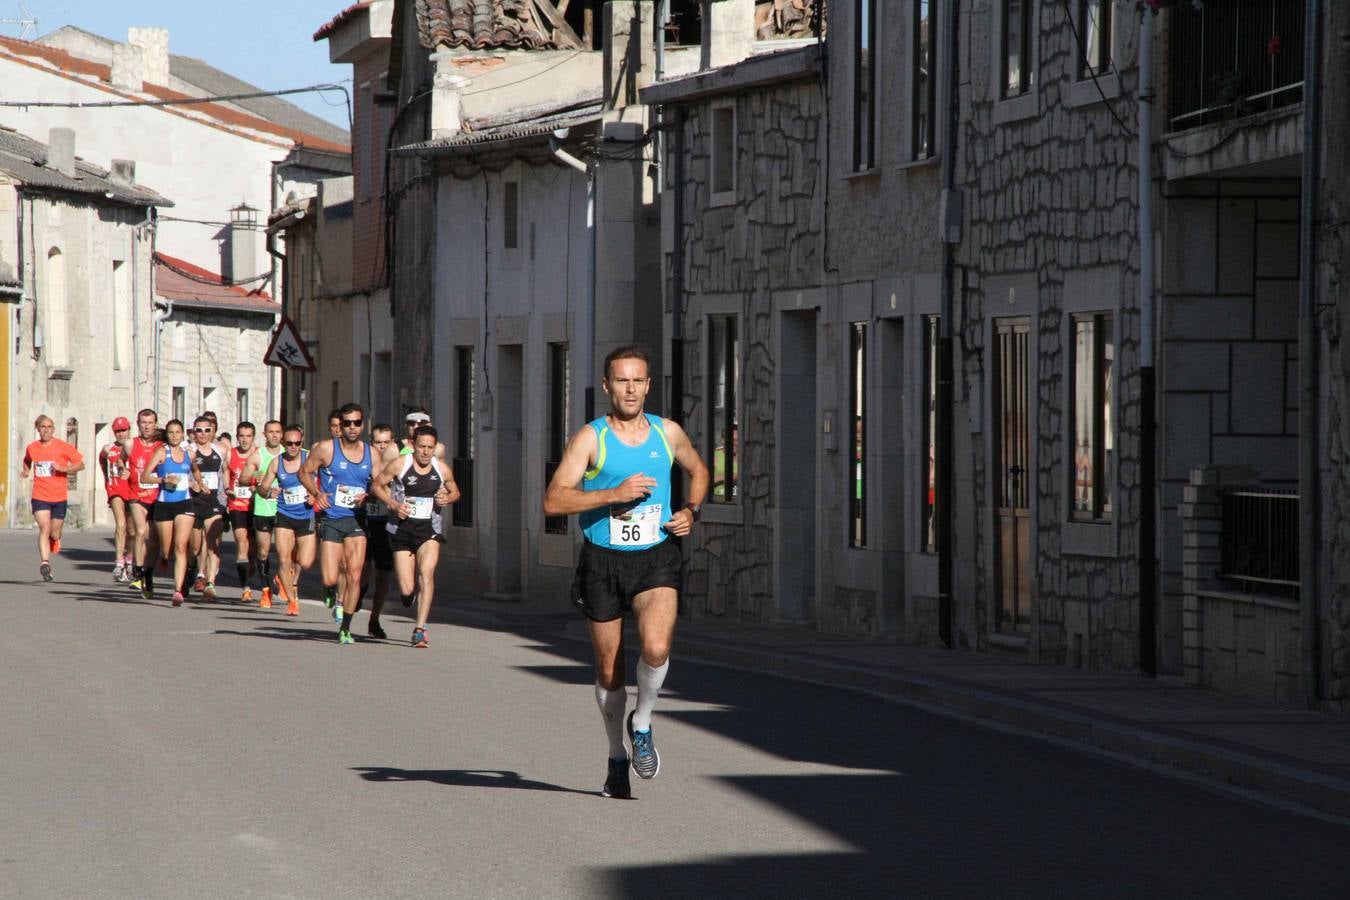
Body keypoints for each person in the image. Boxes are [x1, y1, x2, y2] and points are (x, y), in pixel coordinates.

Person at [543, 344, 709, 799]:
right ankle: (617, 757)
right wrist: (611, 494)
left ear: (649, 385)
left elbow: (699, 470)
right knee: (610, 670)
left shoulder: (666, 433)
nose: (631, 389)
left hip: (656, 556)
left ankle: (643, 722)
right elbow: (554, 500)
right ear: (607, 385)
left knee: (656, 647)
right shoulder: (590, 439)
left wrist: (691, 511)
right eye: (622, 380)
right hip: (603, 562)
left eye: (638, 380)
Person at [371, 424, 459, 648]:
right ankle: (409, 596)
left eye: (430, 447)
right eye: (422, 447)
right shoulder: (401, 464)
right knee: (407, 588)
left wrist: (446, 499)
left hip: (429, 530)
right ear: (414, 446)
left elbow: (456, 491)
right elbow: (377, 485)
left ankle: (420, 629)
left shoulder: (441, 469)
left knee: (427, 574)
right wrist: (393, 504)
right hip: (402, 529)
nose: (426, 452)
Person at [299, 402, 373, 644]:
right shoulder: (326, 449)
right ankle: (329, 588)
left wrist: (369, 494)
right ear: (340, 425)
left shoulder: (372, 454)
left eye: (357, 423)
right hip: (332, 519)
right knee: (331, 576)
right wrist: (317, 493)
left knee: (354, 574)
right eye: (347, 423)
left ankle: (346, 627)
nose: (352, 427)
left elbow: (380, 482)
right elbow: (304, 472)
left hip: (357, 520)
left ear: (362, 425)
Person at [258, 425, 313, 617]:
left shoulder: (309, 459)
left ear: (301, 442)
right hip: (284, 514)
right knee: (283, 558)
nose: (293, 447)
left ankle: (283, 576)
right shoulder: (276, 463)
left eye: (297, 443)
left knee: (305, 562)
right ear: (284, 443)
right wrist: (268, 492)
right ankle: (291, 602)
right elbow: (262, 488)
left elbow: (324, 480)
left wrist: (315, 495)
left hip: (306, 515)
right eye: (289, 443)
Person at [22, 415, 85, 582]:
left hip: (59, 497)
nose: (46, 430)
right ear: (38, 429)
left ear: (53, 429)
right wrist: (26, 471)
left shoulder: (63, 447)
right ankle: (45, 562)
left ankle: (55, 539)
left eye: (49, 427)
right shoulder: (32, 448)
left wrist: (64, 468)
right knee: (44, 528)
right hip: (40, 495)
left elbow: (81, 464)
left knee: (55, 532)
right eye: (43, 426)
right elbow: (27, 460)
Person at [144, 419, 200, 607]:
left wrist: (198, 483)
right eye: (171, 432)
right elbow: (145, 475)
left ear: (183, 434)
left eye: (178, 432)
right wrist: (163, 480)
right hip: (164, 504)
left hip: (185, 503)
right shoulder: (161, 452)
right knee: (166, 550)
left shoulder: (188, 454)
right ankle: (150, 573)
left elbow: (194, 470)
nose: (174, 435)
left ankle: (178, 590)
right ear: (167, 435)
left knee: (181, 547)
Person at [358, 423, 397, 638]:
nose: (381, 447)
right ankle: (357, 595)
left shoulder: (398, 465)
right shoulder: (364, 462)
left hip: (386, 524)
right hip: (364, 522)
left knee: (383, 576)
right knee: (362, 569)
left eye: (385, 442)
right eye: (377, 442)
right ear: (371, 443)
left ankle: (374, 620)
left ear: (392, 442)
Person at [240, 420, 284, 607]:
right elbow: (242, 479)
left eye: (277, 432)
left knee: (285, 553)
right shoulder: (257, 456)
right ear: (264, 435)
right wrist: (252, 477)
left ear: (282, 434)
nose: (274, 435)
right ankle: (266, 590)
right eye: (270, 432)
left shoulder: (289, 453)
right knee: (263, 551)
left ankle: (282, 577)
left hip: (284, 509)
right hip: (263, 508)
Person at [124, 409, 164, 599]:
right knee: (140, 532)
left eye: (150, 422)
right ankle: (138, 571)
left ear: (155, 424)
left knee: (154, 540)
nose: (146, 426)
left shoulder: (161, 446)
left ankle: (148, 572)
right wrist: (123, 470)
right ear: (138, 424)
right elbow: (122, 462)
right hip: (136, 495)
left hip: (156, 495)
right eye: (143, 422)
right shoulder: (130, 444)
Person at [188, 415, 227, 600]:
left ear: (212, 431)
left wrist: (227, 492)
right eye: (199, 430)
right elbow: (179, 471)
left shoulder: (221, 451)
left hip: (214, 502)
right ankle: (191, 569)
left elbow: (226, 473)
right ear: (193, 432)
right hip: (193, 502)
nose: (203, 434)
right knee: (195, 548)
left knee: (213, 544)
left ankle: (210, 583)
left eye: (207, 430)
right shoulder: (188, 450)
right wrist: (191, 483)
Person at [99, 416, 134, 582]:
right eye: (117, 431)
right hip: (115, 489)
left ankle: (130, 561)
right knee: (120, 524)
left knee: (132, 530)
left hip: (133, 490)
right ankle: (119, 563)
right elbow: (101, 459)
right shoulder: (109, 448)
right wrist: (107, 478)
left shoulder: (134, 446)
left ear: (129, 430)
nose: (121, 434)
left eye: (123, 430)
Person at [226, 422, 257, 601]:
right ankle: (246, 588)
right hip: (236, 505)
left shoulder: (258, 455)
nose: (244, 440)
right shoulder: (230, 454)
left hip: (254, 506)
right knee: (241, 541)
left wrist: (257, 488)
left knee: (254, 548)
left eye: (248, 436)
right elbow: (225, 478)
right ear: (237, 437)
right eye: (242, 436)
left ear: (253, 437)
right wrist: (227, 490)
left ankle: (250, 560)